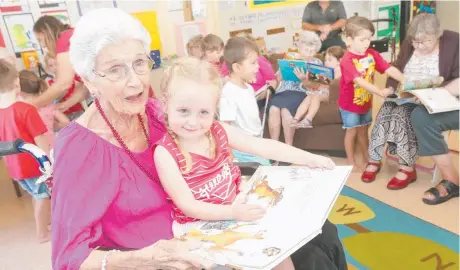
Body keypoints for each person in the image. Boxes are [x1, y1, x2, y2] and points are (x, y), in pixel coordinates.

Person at [51, 8, 349, 270]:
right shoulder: (79, 148)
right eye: (115, 69)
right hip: (163, 255)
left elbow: (231, 141)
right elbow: (68, 258)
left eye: (140, 63)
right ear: (89, 80)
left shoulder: (159, 112)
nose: (134, 80)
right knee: (310, 260)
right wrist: (144, 259)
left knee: (321, 233)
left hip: (216, 224)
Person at [155, 55, 338, 269]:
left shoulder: (217, 130)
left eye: (203, 112)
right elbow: (189, 206)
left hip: (236, 209)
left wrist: (309, 158)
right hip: (200, 227)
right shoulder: (165, 152)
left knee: (283, 252)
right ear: (165, 104)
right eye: (183, 111)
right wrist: (233, 212)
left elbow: (261, 146)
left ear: (214, 108)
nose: (193, 122)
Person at [363, 13, 459, 191]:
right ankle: (374, 159)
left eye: (425, 42)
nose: (419, 46)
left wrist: (432, 94)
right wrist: (391, 89)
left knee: (403, 114)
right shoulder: (410, 42)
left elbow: (457, 78)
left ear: (438, 35)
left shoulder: (453, 42)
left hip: (435, 97)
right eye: (415, 42)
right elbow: (397, 67)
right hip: (408, 93)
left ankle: (407, 168)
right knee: (386, 109)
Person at [339, 16, 403, 170]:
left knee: (363, 130)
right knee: (352, 132)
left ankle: (368, 158)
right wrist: (380, 91)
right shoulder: (346, 60)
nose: (367, 43)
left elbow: (388, 68)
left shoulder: (372, 54)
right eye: (362, 40)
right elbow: (360, 81)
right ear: (349, 40)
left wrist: (404, 79)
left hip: (365, 103)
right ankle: (351, 161)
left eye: (369, 39)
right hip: (349, 105)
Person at [0, 60, 51, 243]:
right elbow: (40, 138)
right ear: (17, 82)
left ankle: (45, 222)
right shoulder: (26, 110)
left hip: (15, 170)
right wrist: (48, 164)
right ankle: (42, 233)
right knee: (43, 196)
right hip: (34, 166)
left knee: (36, 195)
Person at [268, 30, 322, 161]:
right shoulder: (290, 57)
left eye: (312, 50)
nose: (309, 53)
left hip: (300, 92)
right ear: (299, 47)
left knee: (286, 111)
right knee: (273, 109)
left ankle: (289, 149)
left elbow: (316, 87)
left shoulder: (317, 63)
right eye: (306, 49)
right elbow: (277, 78)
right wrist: (279, 77)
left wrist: (304, 80)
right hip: (283, 91)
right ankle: (273, 150)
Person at [219, 37, 271, 165]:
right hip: (243, 151)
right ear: (237, 67)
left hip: (256, 144)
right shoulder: (229, 92)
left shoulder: (248, 88)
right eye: (253, 63)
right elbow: (225, 127)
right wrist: (230, 154)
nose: (258, 67)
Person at [30, 15, 87, 119]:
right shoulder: (71, 35)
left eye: (40, 40)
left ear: (46, 33)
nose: (42, 45)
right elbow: (84, 87)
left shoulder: (65, 40)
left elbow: (63, 84)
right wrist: (65, 105)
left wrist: (31, 105)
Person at [292, 46, 345, 128]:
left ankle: (308, 119)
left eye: (330, 60)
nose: (326, 62)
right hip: (323, 91)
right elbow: (320, 85)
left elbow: (334, 84)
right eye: (326, 60)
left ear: (339, 61)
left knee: (316, 96)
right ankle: (295, 119)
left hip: (332, 95)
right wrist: (310, 79)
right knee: (309, 97)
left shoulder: (339, 70)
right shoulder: (327, 70)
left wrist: (324, 82)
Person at [18, 70, 69, 145]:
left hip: (36, 150)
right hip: (53, 146)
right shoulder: (48, 104)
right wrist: (51, 126)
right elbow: (66, 122)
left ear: (20, 91)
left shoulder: (21, 109)